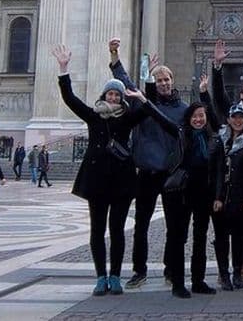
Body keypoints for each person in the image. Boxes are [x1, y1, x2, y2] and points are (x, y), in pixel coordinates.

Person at [54, 44, 152, 296]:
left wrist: (147, 81)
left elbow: (146, 110)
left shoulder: (126, 119)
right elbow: (70, 99)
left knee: (117, 230)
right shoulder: (93, 116)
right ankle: (100, 277)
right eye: (110, 94)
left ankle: (116, 276)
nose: (113, 98)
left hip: (121, 182)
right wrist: (63, 69)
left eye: (117, 96)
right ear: (104, 95)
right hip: (96, 181)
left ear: (121, 99)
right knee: (97, 230)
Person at [109, 39, 188, 290]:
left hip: (171, 174)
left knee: (173, 227)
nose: (164, 83)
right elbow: (127, 83)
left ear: (172, 81)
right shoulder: (141, 103)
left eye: (167, 79)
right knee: (141, 225)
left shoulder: (183, 109)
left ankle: (170, 270)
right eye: (159, 80)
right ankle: (139, 270)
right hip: (146, 173)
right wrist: (114, 56)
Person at [137, 74, 222, 298]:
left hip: (203, 192)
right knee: (178, 236)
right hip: (181, 192)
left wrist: (205, 92)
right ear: (188, 118)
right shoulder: (181, 133)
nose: (199, 120)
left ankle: (198, 280)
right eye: (195, 116)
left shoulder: (212, 138)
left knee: (200, 237)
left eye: (201, 116)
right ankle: (177, 282)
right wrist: (146, 100)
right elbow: (160, 117)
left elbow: (218, 168)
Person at [211, 38, 243, 282]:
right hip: (223, 192)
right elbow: (220, 99)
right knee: (222, 233)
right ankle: (226, 272)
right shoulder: (223, 136)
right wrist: (218, 67)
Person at [210, 103, 243, 291]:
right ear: (228, 119)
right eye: (235, 117)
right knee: (221, 237)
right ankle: (224, 274)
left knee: (239, 237)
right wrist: (216, 196)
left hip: (239, 197)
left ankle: (237, 273)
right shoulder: (218, 140)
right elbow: (215, 171)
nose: (238, 121)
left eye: (241, 117)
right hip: (220, 197)